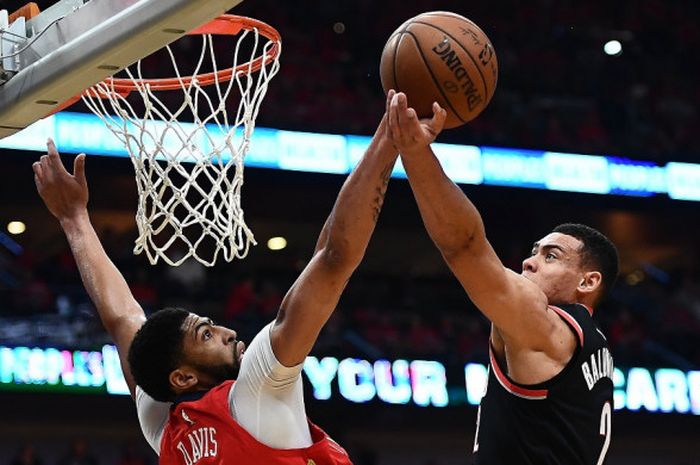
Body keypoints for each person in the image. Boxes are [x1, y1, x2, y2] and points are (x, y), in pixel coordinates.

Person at [32, 90, 445, 465]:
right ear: (183, 377)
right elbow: (333, 258)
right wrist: (388, 137)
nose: (227, 332)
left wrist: (74, 218)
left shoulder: (167, 430)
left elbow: (123, 318)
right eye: (206, 335)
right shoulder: (256, 389)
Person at [386, 92, 618, 465]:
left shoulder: (549, 329)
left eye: (551, 256)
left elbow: (464, 248)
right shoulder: (596, 347)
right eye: (534, 251)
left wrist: (415, 152)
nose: (529, 263)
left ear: (588, 282)